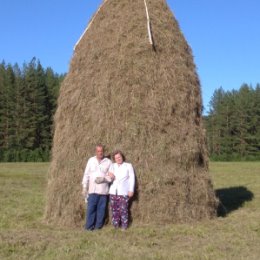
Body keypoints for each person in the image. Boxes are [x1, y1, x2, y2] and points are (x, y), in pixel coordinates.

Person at [82, 144, 112, 230]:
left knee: (101, 210)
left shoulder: (108, 162)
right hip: (92, 190)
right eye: (98, 151)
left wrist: (104, 179)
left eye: (101, 151)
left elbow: (111, 176)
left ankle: (98, 227)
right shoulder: (91, 160)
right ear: (96, 152)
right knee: (91, 210)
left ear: (104, 151)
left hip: (103, 191)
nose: (100, 153)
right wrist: (84, 187)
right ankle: (89, 227)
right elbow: (86, 174)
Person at [108, 150, 135, 230]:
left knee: (123, 209)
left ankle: (124, 226)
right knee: (114, 210)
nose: (118, 159)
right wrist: (110, 174)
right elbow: (109, 175)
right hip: (113, 191)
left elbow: (132, 178)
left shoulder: (128, 165)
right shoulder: (112, 165)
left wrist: (131, 190)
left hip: (123, 191)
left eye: (119, 157)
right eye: (116, 158)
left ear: (122, 157)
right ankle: (115, 226)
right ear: (114, 159)